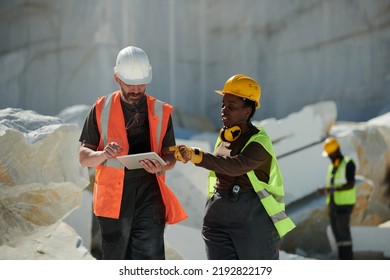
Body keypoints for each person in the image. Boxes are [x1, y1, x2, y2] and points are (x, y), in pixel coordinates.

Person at [79, 46, 187, 260]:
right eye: (130, 84)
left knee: (150, 261)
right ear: (117, 78)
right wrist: (103, 155)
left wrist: (163, 165)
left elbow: (170, 156)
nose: (136, 89)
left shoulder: (161, 111)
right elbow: (83, 157)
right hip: (113, 199)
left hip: (150, 195)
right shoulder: (101, 108)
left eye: (141, 83)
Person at [172, 74, 295, 259]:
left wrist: (196, 156)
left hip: (252, 222)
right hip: (217, 218)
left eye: (231, 107)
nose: (223, 110)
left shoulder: (259, 142)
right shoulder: (225, 138)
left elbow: (236, 166)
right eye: (223, 105)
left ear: (247, 111)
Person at [318, 137, 356, 260]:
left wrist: (332, 190)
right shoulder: (332, 167)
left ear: (336, 151)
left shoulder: (348, 163)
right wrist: (325, 190)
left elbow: (350, 184)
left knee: (343, 233)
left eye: (330, 154)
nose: (328, 156)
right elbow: (333, 185)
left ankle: (347, 260)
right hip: (333, 205)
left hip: (344, 204)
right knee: (337, 234)